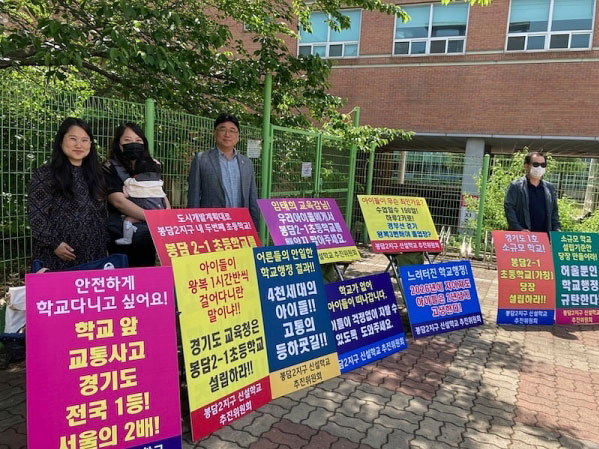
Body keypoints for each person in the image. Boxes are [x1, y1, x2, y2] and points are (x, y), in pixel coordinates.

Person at [28, 117, 107, 271]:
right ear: (61, 141)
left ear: (90, 144)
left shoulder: (96, 175)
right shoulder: (46, 174)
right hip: (56, 256)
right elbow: (36, 215)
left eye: (85, 140)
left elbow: (102, 214)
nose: (79, 145)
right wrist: (54, 243)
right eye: (73, 139)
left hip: (94, 255)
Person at [103, 123, 170, 266]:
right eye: (127, 140)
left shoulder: (151, 166)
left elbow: (159, 192)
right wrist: (154, 218)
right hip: (121, 234)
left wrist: (166, 217)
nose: (134, 144)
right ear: (118, 143)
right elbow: (118, 201)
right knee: (124, 273)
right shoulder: (109, 167)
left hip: (149, 235)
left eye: (138, 140)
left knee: (146, 272)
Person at [187, 113, 260, 229]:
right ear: (215, 133)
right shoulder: (202, 159)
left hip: (241, 225)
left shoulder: (247, 163)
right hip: (213, 225)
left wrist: (255, 228)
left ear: (238, 136)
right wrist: (194, 226)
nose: (227, 134)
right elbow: (194, 196)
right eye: (222, 129)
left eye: (232, 130)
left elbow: (252, 198)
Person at [504, 151, 561, 233]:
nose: (540, 168)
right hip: (524, 236)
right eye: (536, 164)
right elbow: (509, 209)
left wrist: (556, 229)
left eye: (543, 165)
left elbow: (554, 212)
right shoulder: (516, 186)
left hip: (545, 236)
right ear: (526, 166)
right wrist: (519, 229)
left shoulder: (549, 188)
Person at [115, 157, 167, 245]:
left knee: (128, 220)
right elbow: (163, 195)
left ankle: (127, 238)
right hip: (158, 208)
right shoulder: (159, 182)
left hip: (141, 211)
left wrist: (124, 189)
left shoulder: (132, 182)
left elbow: (126, 195)